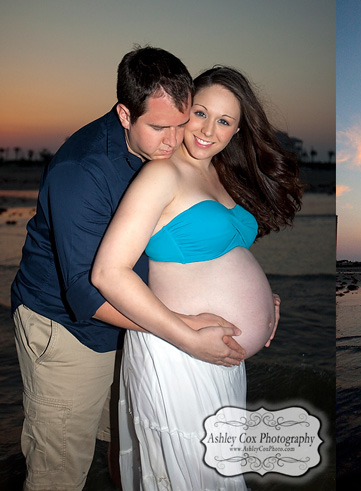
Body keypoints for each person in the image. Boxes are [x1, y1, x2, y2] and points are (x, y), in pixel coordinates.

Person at [10, 46, 250, 490]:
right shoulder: (80, 171)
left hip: (134, 326)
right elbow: (86, 290)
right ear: (125, 114)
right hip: (66, 329)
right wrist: (182, 331)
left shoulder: (168, 152)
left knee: (127, 445)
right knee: (60, 468)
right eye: (159, 127)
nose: (175, 139)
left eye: (183, 123)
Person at [91, 66, 302, 490]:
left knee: (216, 471)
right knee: (189, 473)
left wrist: (264, 299)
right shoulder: (162, 174)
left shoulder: (221, 174)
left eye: (224, 121)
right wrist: (187, 338)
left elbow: (220, 255)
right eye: (200, 113)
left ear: (238, 130)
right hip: (177, 349)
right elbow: (107, 273)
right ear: (184, 110)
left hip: (217, 356)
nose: (208, 130)